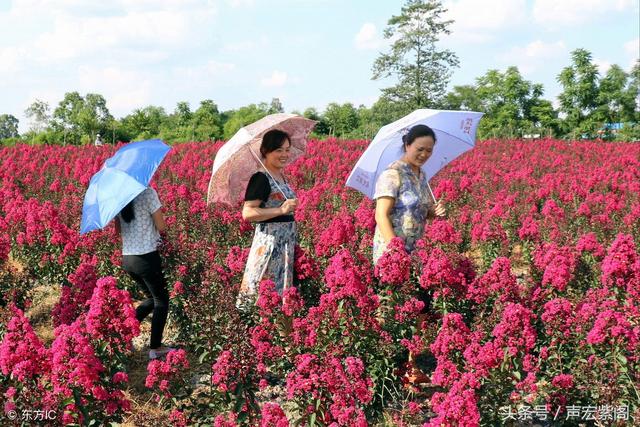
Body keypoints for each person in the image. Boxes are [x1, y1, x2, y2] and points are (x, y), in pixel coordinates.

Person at [372, 124, 446, 386]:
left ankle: (410, 365)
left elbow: (420, 210)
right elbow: (381, 214)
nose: (424, 154)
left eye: (429, 150)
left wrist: (433, 212)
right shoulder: (393, 174)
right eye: (419, 148)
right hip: (392, 254)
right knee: (388, 308)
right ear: (407, 145)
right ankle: (381, 363)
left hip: (417, 253)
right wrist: (395, 250)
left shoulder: (421, 175)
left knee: (418, 309)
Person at [237, 129, 298, 312]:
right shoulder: (260, 178)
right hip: (270, 245)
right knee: (265, 297)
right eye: (279, 150)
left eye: (287, 150)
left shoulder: (280, 176)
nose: (285, 154)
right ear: (265, 151)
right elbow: (247, 213)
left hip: (285, 245)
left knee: (283, 299)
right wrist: (281, 209)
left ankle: (282, 338)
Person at [114, 187, 172, 360]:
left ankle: (124, 334)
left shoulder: (120, 195)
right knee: (162, 300)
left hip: (128, 259)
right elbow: (161, 226)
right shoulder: (147, 193)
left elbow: (118, 232)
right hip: (147, 256)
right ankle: (156, 347)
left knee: (151, 298)